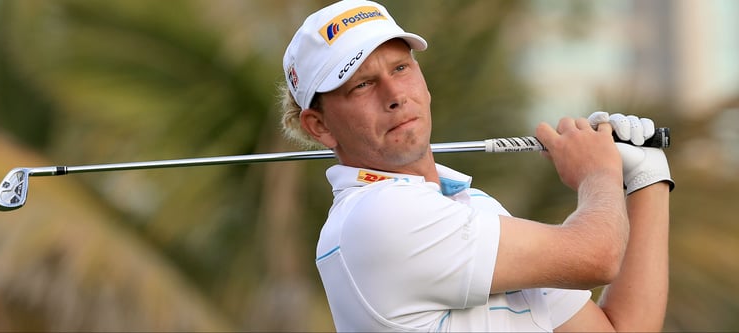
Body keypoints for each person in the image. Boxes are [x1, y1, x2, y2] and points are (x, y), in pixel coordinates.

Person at [279, 0, 674, 331]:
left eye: (401, 68)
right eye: (361, 85)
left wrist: (647, 176)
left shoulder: (473, 206)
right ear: (320, 126)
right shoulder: (375, 218)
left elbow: (621, 328)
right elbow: (597, 258)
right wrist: (598, 172)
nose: (395, 94)